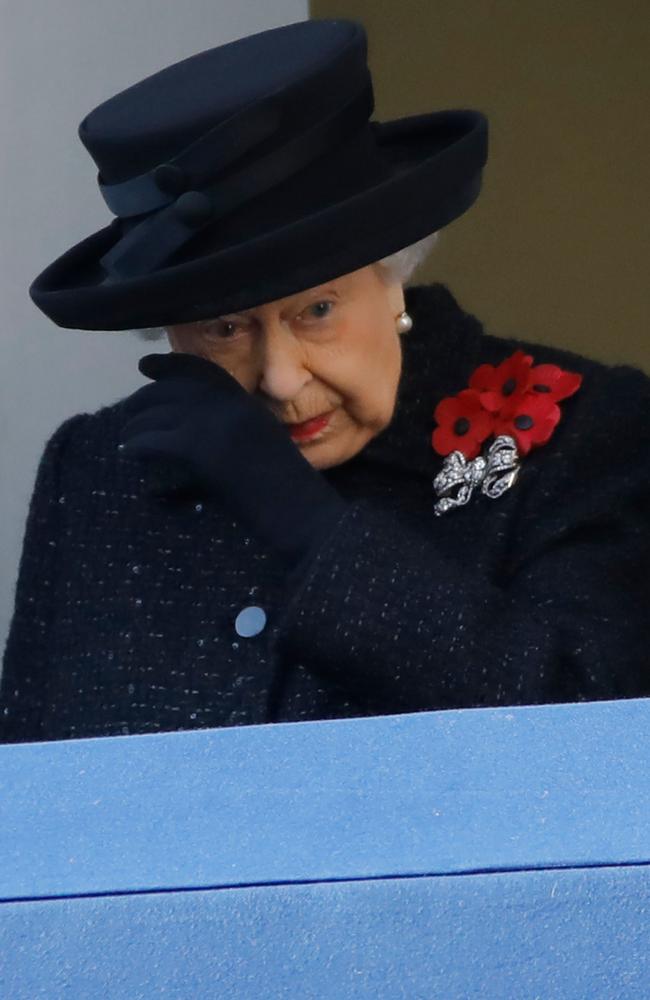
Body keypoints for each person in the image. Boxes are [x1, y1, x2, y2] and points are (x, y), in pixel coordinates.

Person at [1, 19, 648, 744]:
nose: (279, 378)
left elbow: (590, 739)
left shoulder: (586, 434)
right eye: (224, 328)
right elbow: (25, 805)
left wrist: (310, 529)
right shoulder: (94, 471)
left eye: (316, 310)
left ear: (394, 274)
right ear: (169, 332)